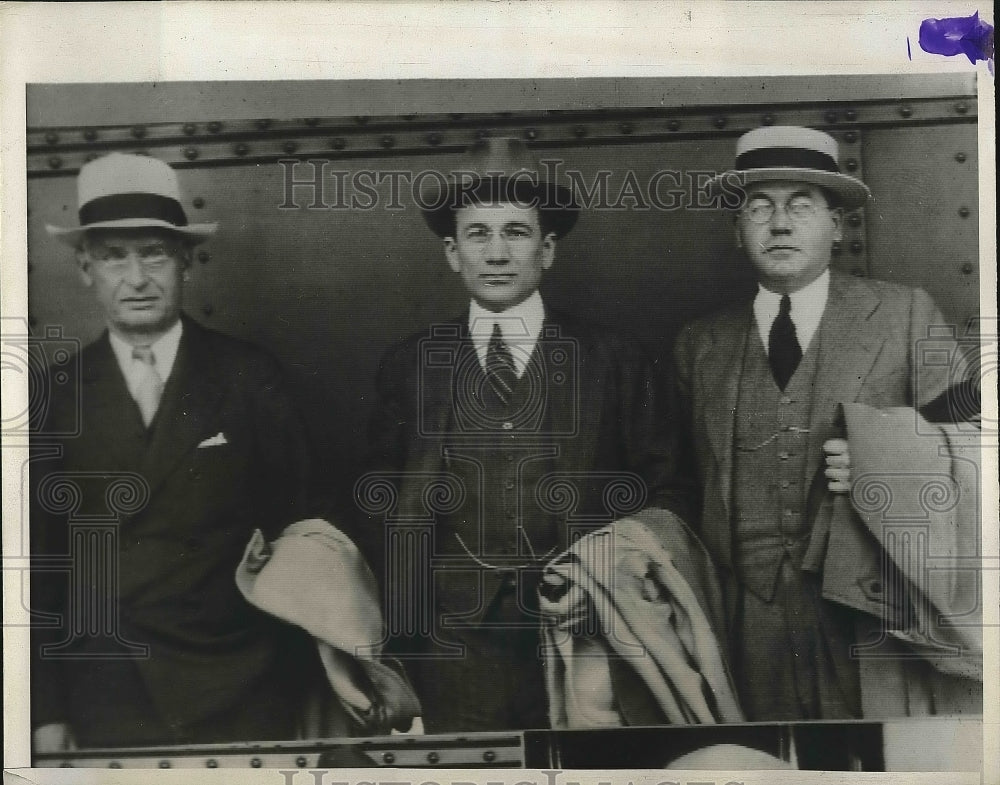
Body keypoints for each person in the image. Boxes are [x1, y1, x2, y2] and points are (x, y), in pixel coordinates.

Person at [361, 137, 696, 732]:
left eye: (515, 232)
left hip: (587, 634)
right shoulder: (409, 364)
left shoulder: (615, 359)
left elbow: (667, 494)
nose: (495, 253)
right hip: (452, 645)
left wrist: (601, 577)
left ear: (546, 250)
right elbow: (380, 506)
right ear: (450, 252)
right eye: (477, 233)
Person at [673, 126, 970, 720]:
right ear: (738, 232)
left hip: (874, 608)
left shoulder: (905, 312)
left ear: (837, 225)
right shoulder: (698, 345)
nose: (779, 224)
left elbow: (978, 437)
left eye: (801, 207)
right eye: (759, 209)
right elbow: (680, 484)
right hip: (744, 618)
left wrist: (888, 456)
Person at [31, 153, 318, 752]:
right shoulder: (51, 396)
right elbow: (37, 570)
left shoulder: (248, 375)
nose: (136, 278)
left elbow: (306, 532)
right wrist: (44, 710)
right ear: (85, 267)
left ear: (186, 258)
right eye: (114, 256)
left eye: (154, 253)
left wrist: (299, 681)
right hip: (105, 690)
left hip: (239, 682)